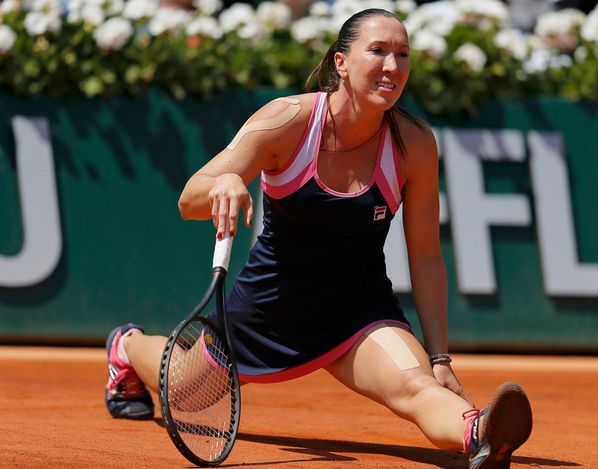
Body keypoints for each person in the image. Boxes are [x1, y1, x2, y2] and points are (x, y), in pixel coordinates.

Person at [104, 8, 533, 468]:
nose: (392, 65)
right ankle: (126, 347)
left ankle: (481, 433)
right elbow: (189, 199)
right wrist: (224, 183)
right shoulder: (286, 120)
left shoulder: (414, 144)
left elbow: (426, 255)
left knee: (417, 386)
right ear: (341, 63)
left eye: (402, 54)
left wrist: (441, 355)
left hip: (357, 312)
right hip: (266, 310)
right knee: (180, 392)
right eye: (378, 51)